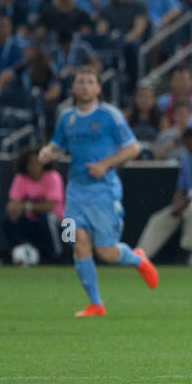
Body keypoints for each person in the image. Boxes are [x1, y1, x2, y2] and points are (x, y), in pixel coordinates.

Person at [38, 66, 160, 317]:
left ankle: (138, 259)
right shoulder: (67, 117)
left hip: (104, 192)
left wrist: (105, 164)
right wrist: (48, 151)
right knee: (78, 242)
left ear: (98, 88)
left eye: (89, 82)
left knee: (106, 252)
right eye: (79, 82)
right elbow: (57, 144)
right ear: (73, 87)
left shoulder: (110, 116)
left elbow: (133, 149)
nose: (84, 86)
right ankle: (96, 303)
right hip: (75, 192)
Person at [137, 127, 192, 264]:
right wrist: (176, 204)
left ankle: (186, 251)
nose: (188, 147)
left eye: (190, 143)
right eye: (185, 144)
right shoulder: (186, 158)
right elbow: (181, 187)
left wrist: (185, 203)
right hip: (189, 200)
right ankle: (140, 256)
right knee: (159, 218)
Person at [4, 146, 65, 262]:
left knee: (47, 218)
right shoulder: (20, 178)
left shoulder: (53, 177)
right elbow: (14, 203)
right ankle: (19, 252)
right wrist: (13, 209)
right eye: (30, 163)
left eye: (37, 162)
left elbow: (49, 206)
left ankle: (56, 255)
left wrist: (25, 206)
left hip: (56, 222)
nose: (34, 166)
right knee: (8, 219)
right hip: (31, 220)